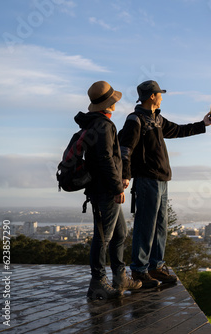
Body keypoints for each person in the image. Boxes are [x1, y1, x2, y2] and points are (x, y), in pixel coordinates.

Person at [119, 80, 211, 288]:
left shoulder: (157, 119)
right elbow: (125, 149)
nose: (161, 96)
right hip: (146, 179)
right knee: (145, 225)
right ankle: (139, 270)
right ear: (152, 96)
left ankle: (156, 267)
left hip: (161, 179)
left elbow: (178, 130)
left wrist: (203, 124)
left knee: (160, 226)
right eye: (159, 93)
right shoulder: (135, 119)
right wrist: (125, 176)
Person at [76, 81, 142, 299]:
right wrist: (117, 187)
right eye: (113, 100)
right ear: (109, 103)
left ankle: (119, 278)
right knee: (103, 237)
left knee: (119, 233)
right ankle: (98, 282)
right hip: (105, 190)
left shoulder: (94, 123)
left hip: (102, 187)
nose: (116, 103)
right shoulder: (104, 125)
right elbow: (105, 159)